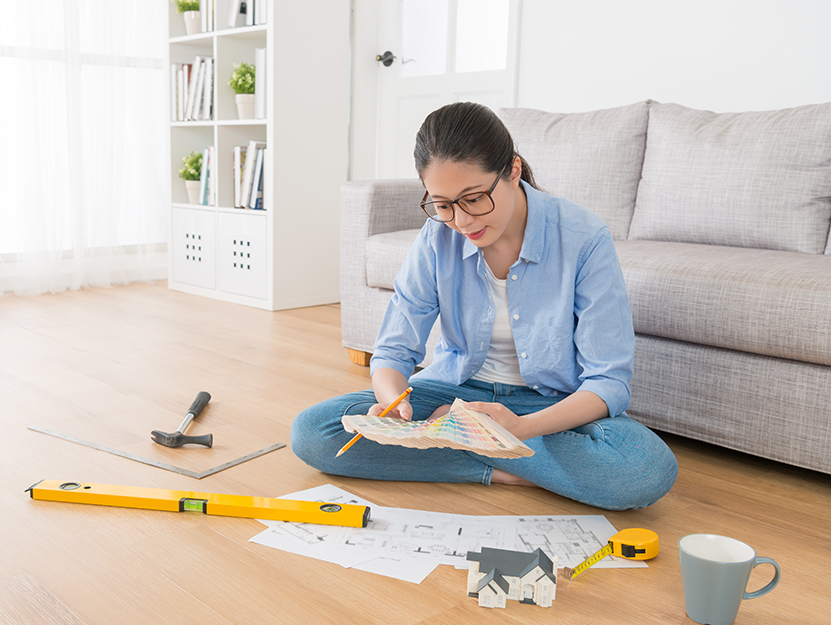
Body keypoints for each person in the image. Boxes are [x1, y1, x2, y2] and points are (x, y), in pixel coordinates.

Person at [290, 101, 678, 510]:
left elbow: (608, 382)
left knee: (644, 469)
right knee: (315, 432)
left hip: (546, 405)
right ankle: (504, 467)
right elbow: (394, 350)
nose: (461, 221)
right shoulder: (435, 237)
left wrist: (520, 428)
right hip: (453, 394)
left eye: (474, 198)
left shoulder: (583, 238)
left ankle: (472, 447)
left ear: (511, 170)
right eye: (442, 205)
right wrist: (393, 404)